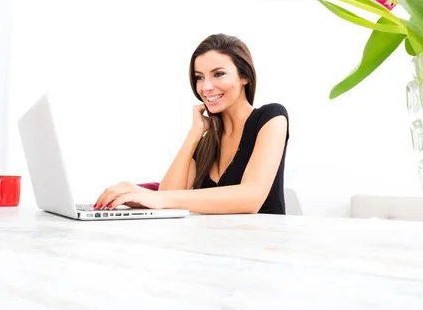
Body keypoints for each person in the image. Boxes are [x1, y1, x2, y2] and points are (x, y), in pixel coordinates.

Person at [94, 33, 289, 214]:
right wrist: (195, 134)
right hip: (213, 245)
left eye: (218, 74)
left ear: (244, 76)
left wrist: (156, 197)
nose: (206, 87)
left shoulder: (271, 117)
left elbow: (251, 198)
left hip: (262, 246)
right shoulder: (207, 143)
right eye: (199, 77)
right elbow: (166, 198)